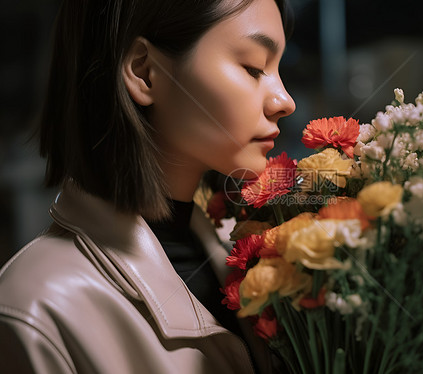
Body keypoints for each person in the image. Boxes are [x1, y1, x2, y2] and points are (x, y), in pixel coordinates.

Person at [0, 0, 296, 372]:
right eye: (254, 67)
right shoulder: (37, 310)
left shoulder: (251, 251)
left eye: (278, 68)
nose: (285, 101)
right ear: (144, 71)